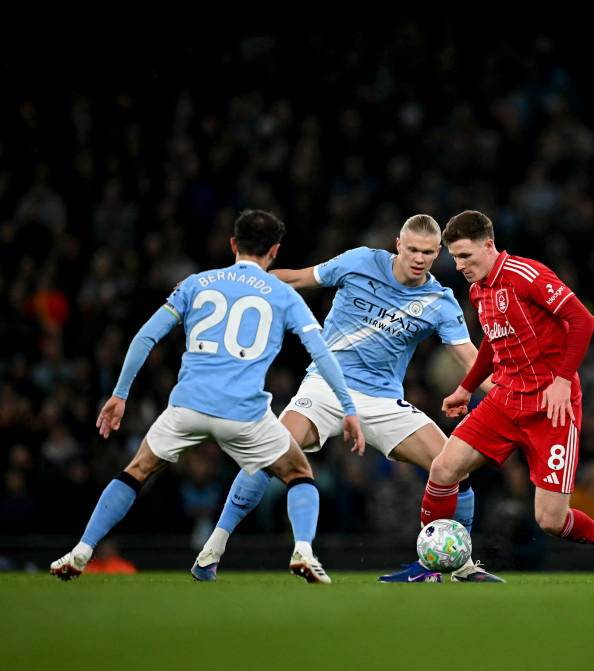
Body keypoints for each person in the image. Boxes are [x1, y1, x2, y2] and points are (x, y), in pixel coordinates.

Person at [50, 209, 365, 584]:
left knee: (137, 470)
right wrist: (348, 408)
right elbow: (321, 353)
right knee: (298, 473)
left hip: (187, 407)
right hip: (244, 414)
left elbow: (144, 337)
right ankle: (303, 551)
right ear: (275, 252)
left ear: (233, 244)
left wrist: (120, 394)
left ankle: (82, 550)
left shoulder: (196, 283)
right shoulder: (283, 294)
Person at [190, 214, 504, 583]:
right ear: (398, 244)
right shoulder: (359, 261)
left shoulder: (438, 300)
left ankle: (460, 564)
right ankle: (212, 550)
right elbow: (297, 277)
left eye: (429, 253)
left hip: (382, 401)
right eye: (413, 250)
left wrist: (510, 395)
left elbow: (469, 357)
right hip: (325, 386)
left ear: (438, 254)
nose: (419, 258)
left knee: (455, 466)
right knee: (267, 452)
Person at [417, 210, 594, 582]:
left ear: (489, 246)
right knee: (442, 468)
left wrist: (564, 380)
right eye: (454, 257)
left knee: (550, 519)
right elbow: (492, 340)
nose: (459, 265)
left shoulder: (526, 275)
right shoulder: (477, 289)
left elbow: (583, 319)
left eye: (465, 255)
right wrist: (466, 388)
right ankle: (430, 566)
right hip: (505, 400)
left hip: (552, 406)